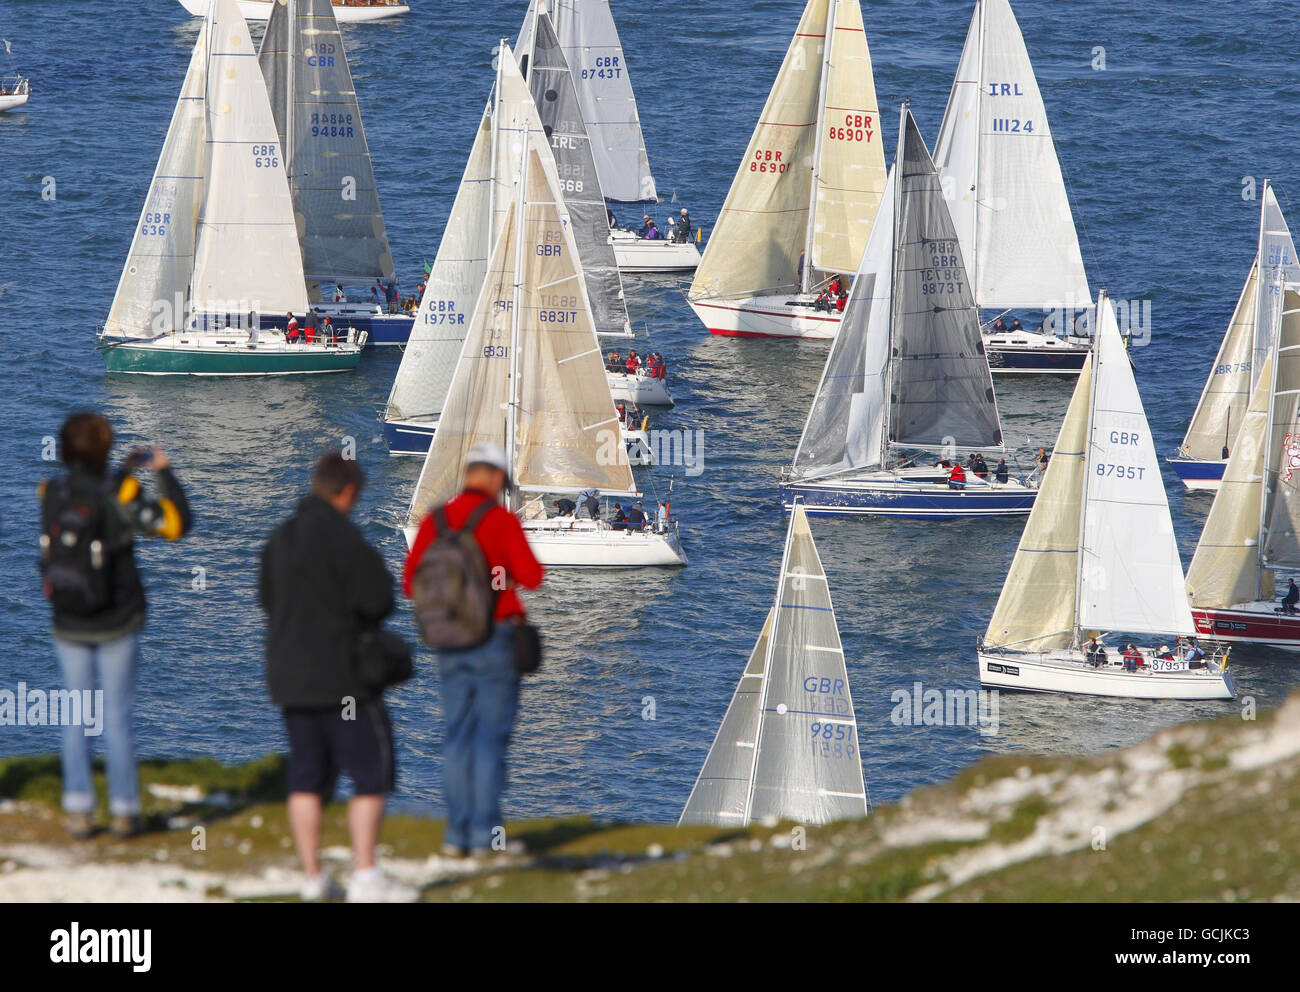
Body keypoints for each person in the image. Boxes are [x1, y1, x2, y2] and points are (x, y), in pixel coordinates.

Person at [260, 451, 413, 902]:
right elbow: (380, 600)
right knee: (370, 773)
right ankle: (366, 875)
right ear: (347, 493)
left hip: (291, 679)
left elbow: (266, 599)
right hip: (346, 680)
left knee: (306, 776)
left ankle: (312, 877)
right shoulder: (347, 539)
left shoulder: (279, 540)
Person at [40, 413, 192, 840]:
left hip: (69, 620)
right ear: (107, 450)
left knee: (76, 713)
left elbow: (86, 504)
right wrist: (162, 473)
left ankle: (79, 810)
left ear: (65, 449)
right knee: (117, 716)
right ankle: (125, 810)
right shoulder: (123, 491)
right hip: (117, 618)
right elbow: (175, 525)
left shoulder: (50, 491)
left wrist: (120, 474)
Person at [403, 443, 544, 857]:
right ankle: (484, 837)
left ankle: (454, 836)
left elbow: (411, 583)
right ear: (498, 478)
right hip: (497, 639)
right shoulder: (500, 520)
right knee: (490, 740)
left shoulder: (437, 520)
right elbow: (533, 577)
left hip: (450, 644)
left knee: (457, 736)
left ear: (467, 474)